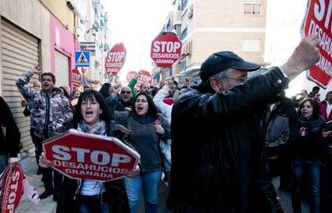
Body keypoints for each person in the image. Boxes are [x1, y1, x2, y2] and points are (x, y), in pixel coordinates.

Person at [169, 35, 320, 212]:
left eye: (247, 80)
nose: (245, 85)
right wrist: (290, 68)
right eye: (241, 80)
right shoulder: (188, 104)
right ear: (217, 84)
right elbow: (222, 105)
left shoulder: (248, 114)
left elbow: (260, 175)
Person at [40, 90, 138, 213]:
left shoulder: (115, 131)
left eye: (93, 103)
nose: (88, 106)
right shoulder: (69, 133)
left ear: (101, 109)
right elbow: (55, 159)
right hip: (78, 197)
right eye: (84, 103)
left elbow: (132, 155)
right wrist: (47, 163)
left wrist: (135, 167)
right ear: (80, 109)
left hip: (108, 196)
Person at [16, 65, 73, 200]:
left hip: (57, 137)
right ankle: (49, 189)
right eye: (44, 80)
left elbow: (70, 113)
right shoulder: (33, 95)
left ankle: (58, 191)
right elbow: (19, 83)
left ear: (54, 82)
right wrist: (30, 72)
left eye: (49, 80)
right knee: (44, 164)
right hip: (40, 136)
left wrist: (61, 122)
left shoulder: (62, 99)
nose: (46, 82)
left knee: (58, 164)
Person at [114, 92, 170, 213]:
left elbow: (172, 132)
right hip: (131, 168)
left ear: (149, 104)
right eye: (138, 100)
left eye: (143, 101)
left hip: (153, 168)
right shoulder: (127, 117)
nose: (140, 103)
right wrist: (113, 96)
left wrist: (164, 131)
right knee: (132, 201)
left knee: (152, 200)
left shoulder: (158, 118)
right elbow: (110, 114)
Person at [292, 99, 328, 213]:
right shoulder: (296, 121)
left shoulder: (321, 121)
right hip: (299, 160)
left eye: (308, 106)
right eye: (303, 106)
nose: (305, 109)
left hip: (314, 161)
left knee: (315, 191)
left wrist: (324, 137)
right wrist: (300, 136)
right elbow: (292, 143)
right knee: (296, 189)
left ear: (314, 109)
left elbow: (321, 145)